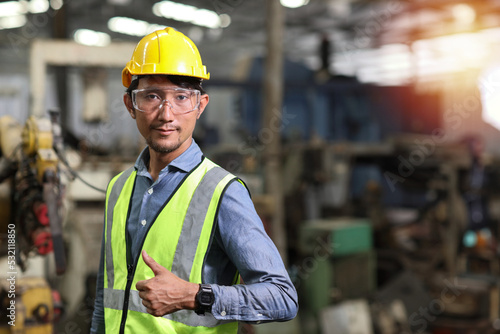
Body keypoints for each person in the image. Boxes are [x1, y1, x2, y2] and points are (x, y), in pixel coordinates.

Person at [90, 27, 298, 333]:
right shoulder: (118, 188)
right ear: (129, 105)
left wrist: (194, 295)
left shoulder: (222, 193)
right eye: (151, 96)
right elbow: (104, 298)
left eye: (181, 97)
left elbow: (282, 297)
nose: (166, 114)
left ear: (200, 106)